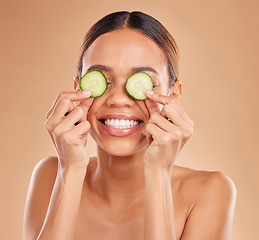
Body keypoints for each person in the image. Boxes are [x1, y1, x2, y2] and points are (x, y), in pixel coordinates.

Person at [23, 11, 236, 240]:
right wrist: (71, 170)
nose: (118, 99)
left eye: (142, 82)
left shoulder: (209, 192)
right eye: (101, 80)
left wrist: (158, 171)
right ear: (78, 90)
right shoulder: (50, 176)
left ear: (173, 95)